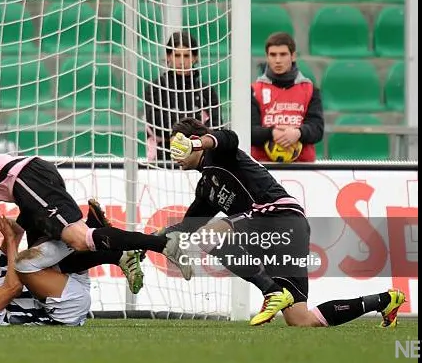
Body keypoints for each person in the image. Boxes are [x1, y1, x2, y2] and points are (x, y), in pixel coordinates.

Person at [162, 117, 405, 328]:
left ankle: (272, 291)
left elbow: (229, 137)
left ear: (194, 140)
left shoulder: (220, 153)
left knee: (210, 235)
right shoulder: (206, 188)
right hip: (279, 228)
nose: (175, 154)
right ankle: (386, 300)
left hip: (279, 215)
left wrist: (197, 142)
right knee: (300, 319)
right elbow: (188, 226)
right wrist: (142, 244)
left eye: (178, 146)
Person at [0, 148, 181, 274]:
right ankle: (117, 253)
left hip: (24, 177)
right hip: (24, 197)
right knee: (44, 265)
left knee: (78, 238)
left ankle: (160, 243)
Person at [0, 207, 130, 326]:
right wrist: (10, 241)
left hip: (70, 284)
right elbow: (13, 287)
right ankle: (90, 234)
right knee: (26, 263)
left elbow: (18, 230)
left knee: (33, 218)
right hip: (62, 313)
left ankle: (125, 248)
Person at [144, 31, 222, 162]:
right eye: (177, 55)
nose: (181, 61)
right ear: (168, 56)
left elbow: (217, 127)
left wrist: (176, 125)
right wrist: (196, 122)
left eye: (186, 55)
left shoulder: (206, 91)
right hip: (163, 161)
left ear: (195, 57)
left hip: (200, 160)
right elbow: (156, 126)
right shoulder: (155, 88)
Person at [250, 32, 324, 162]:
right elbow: (248, 131)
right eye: (273, 55)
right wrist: (271, 133)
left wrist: (298, 133)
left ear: (293, 56)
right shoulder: (254, 90)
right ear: (267, 57)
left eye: (283, 54)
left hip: (303, 168)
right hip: (262, 167)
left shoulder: (310, 89)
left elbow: (317, 129)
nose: (278, 60)